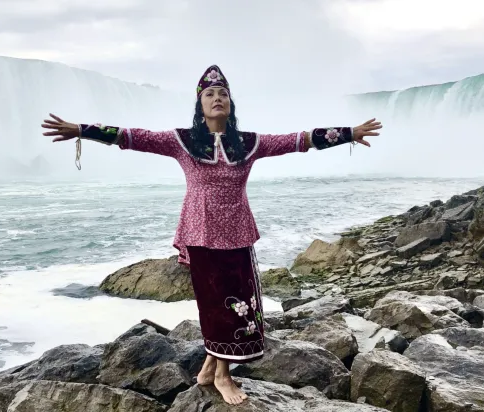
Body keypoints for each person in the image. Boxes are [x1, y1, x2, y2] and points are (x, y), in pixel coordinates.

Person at [42, 64, 382, 405]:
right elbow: (133, 136)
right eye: (210, 94)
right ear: (199, 105)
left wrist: (350, 133)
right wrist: (82, 130)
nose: (217, 98)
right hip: (201, 234)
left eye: (223, 94)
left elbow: (299, 140)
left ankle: (208, 369)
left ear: (230, 104)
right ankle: (222, 376)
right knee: (217, 307)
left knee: (243, 307)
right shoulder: (183, 141)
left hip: (238, 234)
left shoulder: (249, 143)